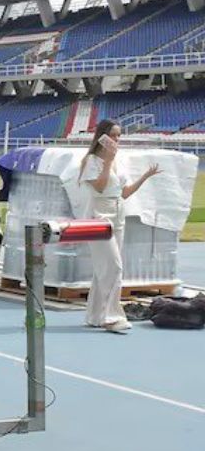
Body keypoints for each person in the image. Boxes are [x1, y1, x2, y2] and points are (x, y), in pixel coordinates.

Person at [78, 119, 161, 335]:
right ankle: (112, 317)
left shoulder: (117, 163)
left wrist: (145, 176)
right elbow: (100, 186)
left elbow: (124, 192)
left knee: (104, 269)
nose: (116, 140)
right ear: (102, 137)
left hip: (118, 214)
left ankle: (95, 316)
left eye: (119, 136)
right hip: (99, 215)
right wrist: (107, 161)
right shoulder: (92, 161)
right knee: (114, 266)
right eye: (113, 135)